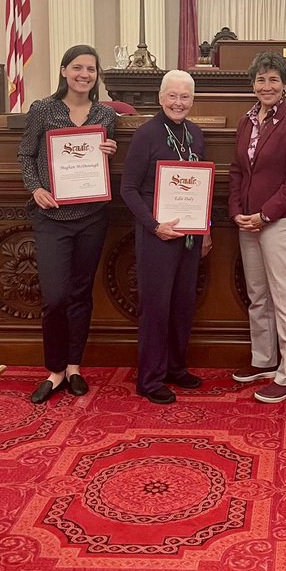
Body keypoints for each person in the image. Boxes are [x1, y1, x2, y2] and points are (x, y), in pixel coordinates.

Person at [19, 45, 118, 405]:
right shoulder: (42, 110)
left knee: (80, 295)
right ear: (64, 71)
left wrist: (110, 152)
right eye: (77, 67)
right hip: (51, 218)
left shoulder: (105, 114)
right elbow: (26, 154)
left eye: (91, 69)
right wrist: (37, 187)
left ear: (97, 76)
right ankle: (54, 370)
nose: (84, 74)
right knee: (56, 297)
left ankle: (74, 367)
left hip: (92, 217)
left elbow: (102, 159)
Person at [120, 70, 211, 403]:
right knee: (156, 308)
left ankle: (175, 367)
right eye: (172, 96)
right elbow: (128, 188)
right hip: (156, 236)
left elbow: (203, 186)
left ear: (192, 100)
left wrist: (206, 230)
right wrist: (154, 224)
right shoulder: (146, 134)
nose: (178, 103)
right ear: (160, 98)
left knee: (183, 305)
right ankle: (150, 378)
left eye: (185, 97)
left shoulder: (196, 134)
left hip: (188, 236)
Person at [229, 51, 286, 403]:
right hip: (247, 222)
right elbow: (236, 171)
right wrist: (237, 211)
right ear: (253, 84)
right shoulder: (246, 121)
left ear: (284, 83)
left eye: (273, 79)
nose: (267, 86)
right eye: (261, 79)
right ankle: (264, 360)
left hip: (283, 221)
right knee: (258, 296)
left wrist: (264, 214)